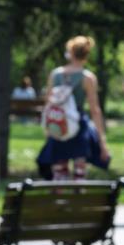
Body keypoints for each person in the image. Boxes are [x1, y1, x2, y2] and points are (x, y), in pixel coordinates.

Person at [37, 36, 111, 181]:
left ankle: (60, 193)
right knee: (79, 174)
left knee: (59, 174)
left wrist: (48, 130)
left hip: (59, 125)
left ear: (70, 53)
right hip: (78, 126)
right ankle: (78, 191)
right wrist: (102, 141)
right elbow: (95, 110)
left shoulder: (56, 74)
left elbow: (48, 103)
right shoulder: (87, 77)